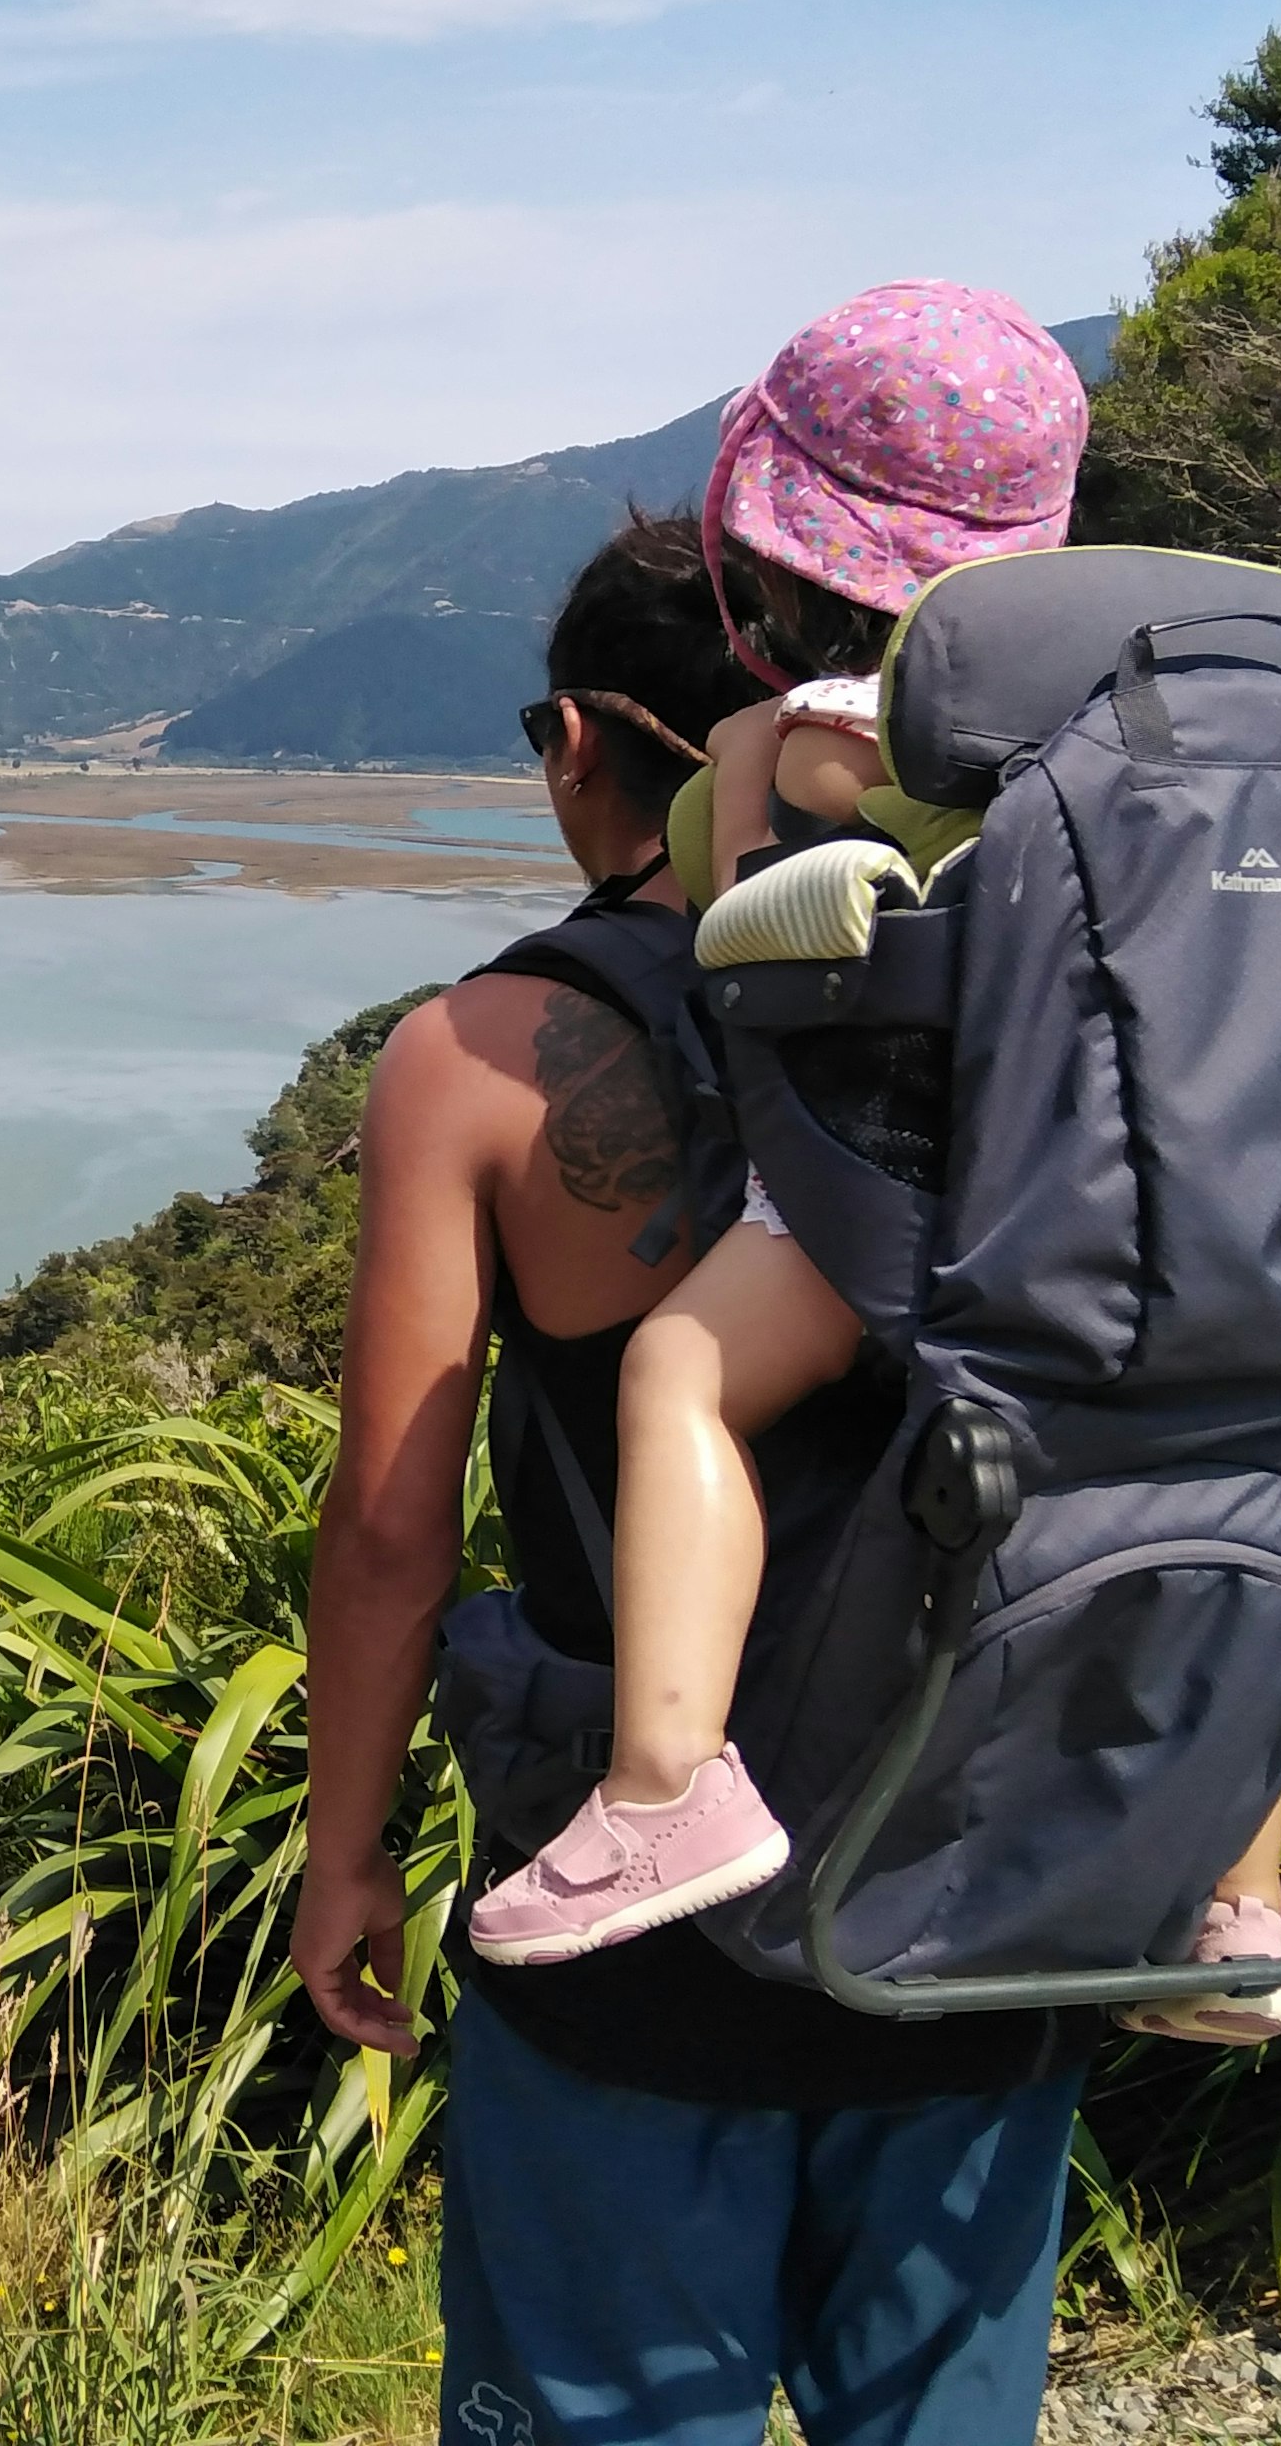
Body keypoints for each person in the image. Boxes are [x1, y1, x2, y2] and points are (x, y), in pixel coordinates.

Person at [299, 508, 1087, 2446]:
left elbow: (392, 1531)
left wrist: (346, 1857)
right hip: (971, 1894)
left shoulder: (482, 1058)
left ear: (582, 736)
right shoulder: (1028, 1002)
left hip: (634, 1953)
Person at [455, 284, 1281, 2050]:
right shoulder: (1183, 734)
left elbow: (739, 930)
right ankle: (1231, 1889)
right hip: (1189, 1210)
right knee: (1227, 1462)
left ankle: (671, 1778)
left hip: (901, 1204)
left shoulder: (841, 730)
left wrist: (751, 780)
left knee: (681, 1377)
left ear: (778, 556)